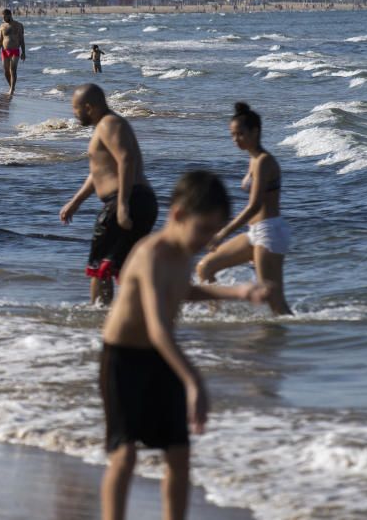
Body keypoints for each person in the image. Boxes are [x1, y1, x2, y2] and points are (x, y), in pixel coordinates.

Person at [100, 170, 271, 520]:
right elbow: (158, 327)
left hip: (160, 357)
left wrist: (239, 292)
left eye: (215, 230)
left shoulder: (183, 251)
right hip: (124, 359)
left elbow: (184, 291)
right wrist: (194, 381)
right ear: (178, 215)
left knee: (178, 454)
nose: (209, 239)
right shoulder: (152, 254)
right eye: (204, 229)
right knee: (125, 453)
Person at [59, 84, 157, 305]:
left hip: (126, 200)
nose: (74, 114)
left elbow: (126, 160)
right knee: (123, 266)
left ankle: (100, 319)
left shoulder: (109, 124)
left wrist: (122, 205)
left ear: (89, 107)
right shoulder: (107, 125)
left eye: (76, 109)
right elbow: (99, 172)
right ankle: (138, 314)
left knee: (99, 267)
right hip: (137, 200)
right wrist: (76, 202)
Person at [196, 103, 293, 315]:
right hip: (254, 233)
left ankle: (293, 342)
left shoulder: (264, 162)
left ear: (255, 131)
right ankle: (216, 317)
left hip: (269, 233)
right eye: (232, 135)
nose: (235, 139)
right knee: (205, 267)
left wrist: (223, 232)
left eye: (240, 134)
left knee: (274, 301)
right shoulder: (253, 159)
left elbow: (255, 205)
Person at [0, 9, 25, 95]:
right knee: (6, 71)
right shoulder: (2, 26)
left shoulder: (19, 25)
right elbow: (0, 40)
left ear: (9, 15)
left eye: (5, 17)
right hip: (5, 51)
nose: (3, 18)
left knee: (13, 69)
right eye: (3, 17)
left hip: (15, 50)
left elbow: (22, 40)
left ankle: (11, 89)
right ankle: (11, 86)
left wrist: (23, 52)